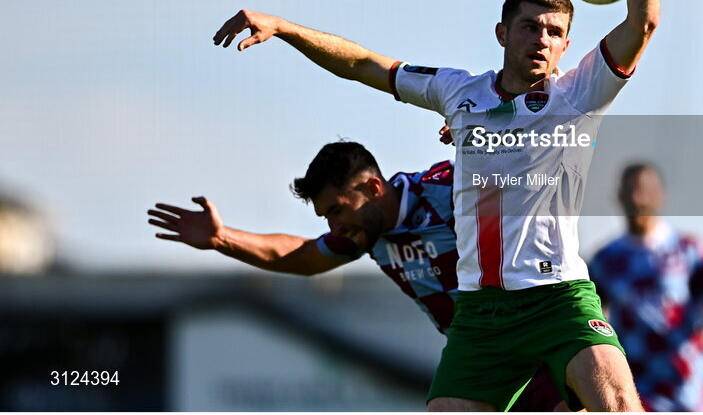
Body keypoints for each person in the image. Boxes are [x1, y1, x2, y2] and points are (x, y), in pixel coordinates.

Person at [210, 0, 660, 412]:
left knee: (617, 405)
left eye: (553, 32)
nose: (540, 40)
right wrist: (284, 27)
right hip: (480, 315)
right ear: (503, 34)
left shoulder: (578, 94)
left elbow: (641, 22)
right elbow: (363, 65)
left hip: (558, 299)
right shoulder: (459, 91)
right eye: (528, 28)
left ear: (567, 44)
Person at [147, 140, 567, 411]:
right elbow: (304, 256)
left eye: (335, 210)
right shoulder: (366, 231)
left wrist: (482, 140)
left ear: (373, 189)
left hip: (537, 343)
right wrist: (224, 239)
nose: (332, 226)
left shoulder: (448, 190)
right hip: (483, 360)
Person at [589, 163, 703, 412]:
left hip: (689, 393)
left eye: (644, 190)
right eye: (631, 190)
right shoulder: (606, 260)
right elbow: (587, 315)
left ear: (660, 195)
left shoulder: (688, 250)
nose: (637, 198)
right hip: (637, 393)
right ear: (619, 196)